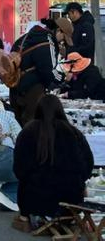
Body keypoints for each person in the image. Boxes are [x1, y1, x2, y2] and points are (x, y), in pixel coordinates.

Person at [12, 95, 94, 233]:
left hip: (36, 198)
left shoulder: (29, 131)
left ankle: (24, 217)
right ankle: (69, 219)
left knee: (25, 181)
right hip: (71, 200)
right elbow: (88, 164)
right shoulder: (74, 132)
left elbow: (19, 168)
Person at [10, 21, 58, 126]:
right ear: (58, 31)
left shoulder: (22, 40)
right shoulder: (47, 41)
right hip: (33, 90)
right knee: (32, 125)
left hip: (15, 87)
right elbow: (47, 70)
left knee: (17, 124)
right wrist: (57, 81)